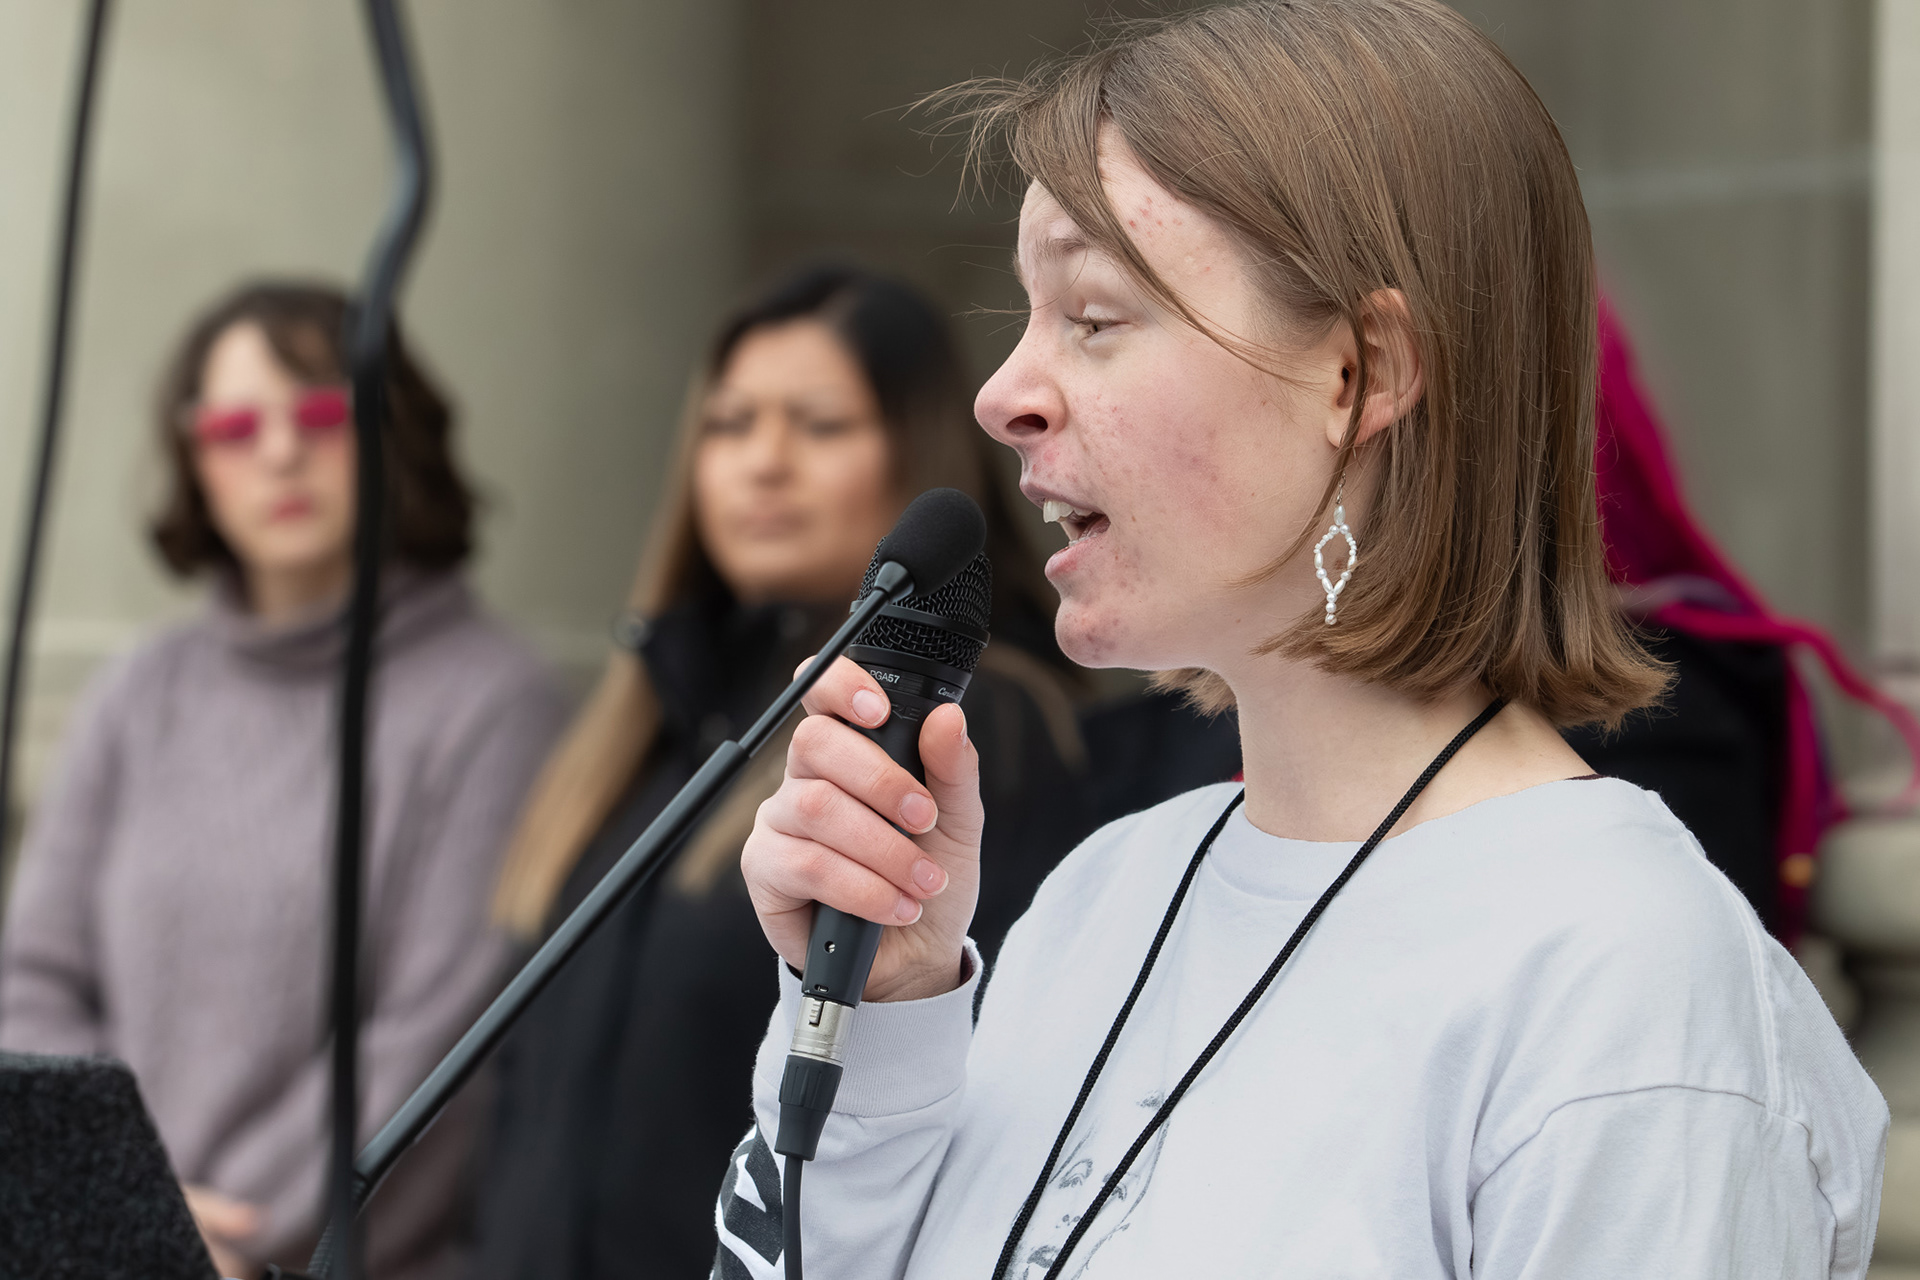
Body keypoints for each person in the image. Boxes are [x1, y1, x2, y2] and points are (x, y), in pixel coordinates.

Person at [715, 5, 1889, 1278]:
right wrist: (888, 1011)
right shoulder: (1107, 891)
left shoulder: (1629, 991)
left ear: (1360, 374)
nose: (1003, 395)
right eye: (1029, 315)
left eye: (1094, 317)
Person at [474, 264, 1239, 1279]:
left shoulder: (971, 731)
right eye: (730, 424)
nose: (764, 463)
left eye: (820, 425)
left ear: (917, 452)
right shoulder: (651, 719)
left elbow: (967, 1090)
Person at [0, 282, 566, 1279]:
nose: (277, 454)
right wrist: (120, 1205)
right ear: (192, 459)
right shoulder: (139, 689)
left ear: (393, 430)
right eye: (232, 428)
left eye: (321, 415)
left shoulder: (497, 703)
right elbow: (33, 978)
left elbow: (439, 1037)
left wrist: (198, 1239)